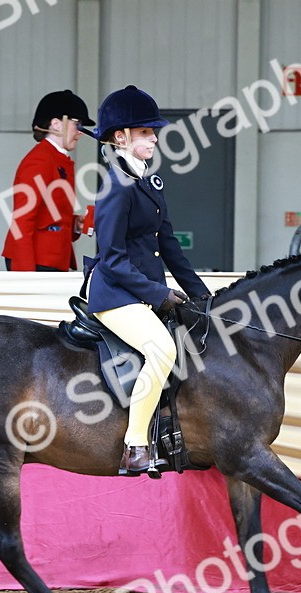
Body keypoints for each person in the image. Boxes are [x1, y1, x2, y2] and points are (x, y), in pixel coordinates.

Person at [82, 85, 211, 476]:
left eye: (153, 132)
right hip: (114, 293)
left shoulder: (148, 183)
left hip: (140, 292)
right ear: (120, 138)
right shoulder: (114, 188)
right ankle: (135, 445)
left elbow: (170, 247)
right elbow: (113, 260)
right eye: (144, 133)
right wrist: (158, 294)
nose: (155, 137)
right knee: (162, 349)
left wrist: (203, 297)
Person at [2, 89, 94, 272]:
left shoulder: (57, 159)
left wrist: (75, 224)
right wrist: (26, 275)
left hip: (51, 259)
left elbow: (50, 217)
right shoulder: (40, 161)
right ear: (56, 124)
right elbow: (23, 221)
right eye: (78, 124)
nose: (81, 132)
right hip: (36, 261)